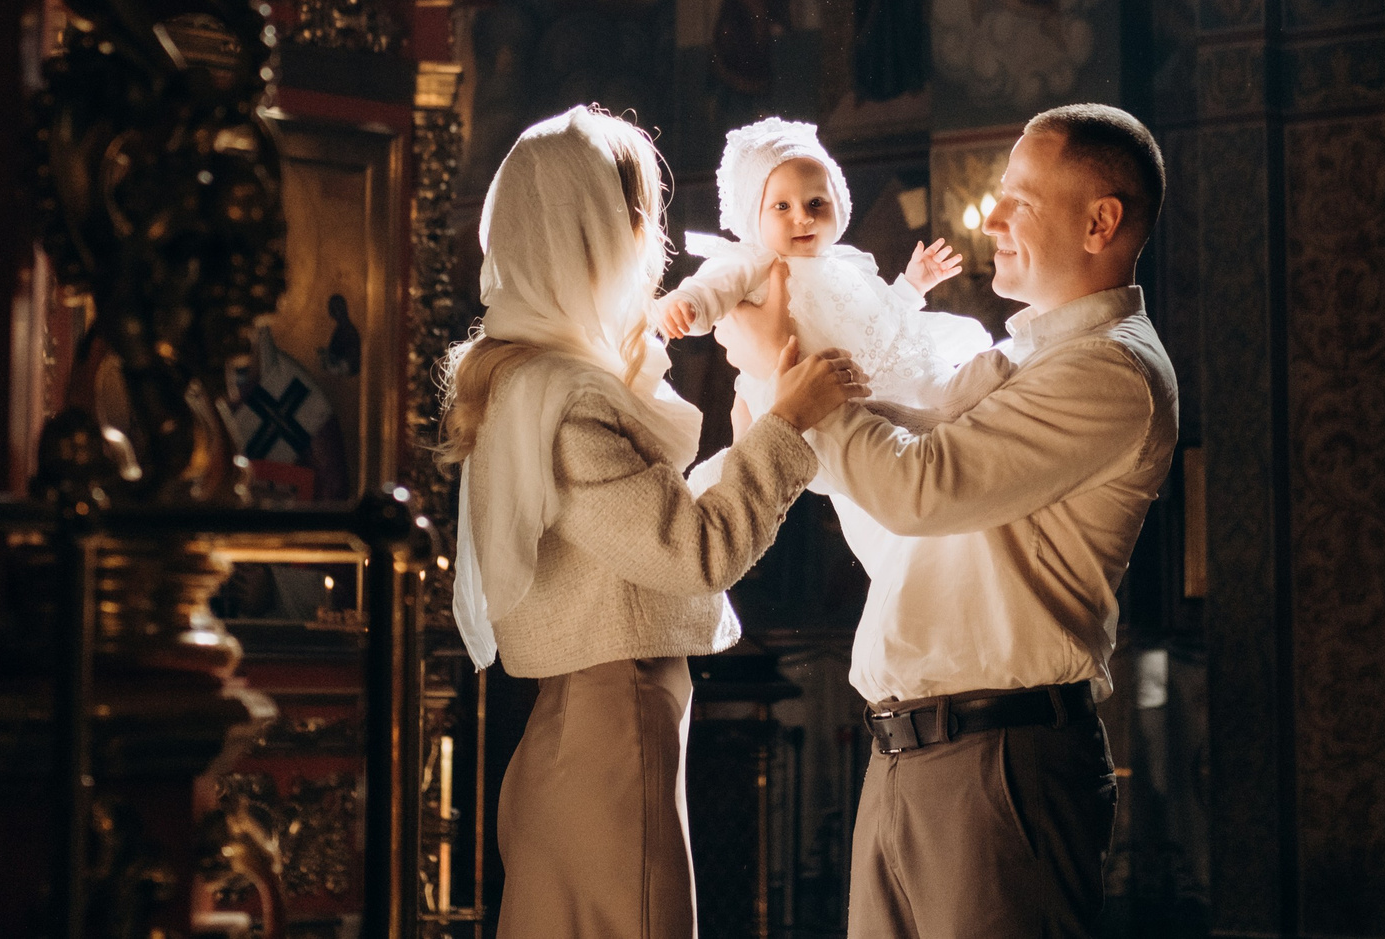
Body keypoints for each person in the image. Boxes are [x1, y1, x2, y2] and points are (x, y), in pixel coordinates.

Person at [719, 103, 1179, 939]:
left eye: (1018, 198)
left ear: (1100, 220)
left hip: (1003, 762)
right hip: (906, 752)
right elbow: (881, 458)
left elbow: (917, 486)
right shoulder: (1020, 357)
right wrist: (774, 407)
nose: (990, 215)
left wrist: (780, 373)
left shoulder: (1112, 373)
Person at [440, 106, 863, 938]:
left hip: (586, 732)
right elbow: (693, 548)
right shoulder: (567, 398)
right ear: (588, 227)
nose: (651, 237)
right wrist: (789, 424)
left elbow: (652, 522)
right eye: (636, 211)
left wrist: (767, 426)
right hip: (612, 731)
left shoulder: (537, 377)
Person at [657, 116, 979, 415]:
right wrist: (687, 305)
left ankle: (961, 394)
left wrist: (912, 285)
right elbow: (713, 287)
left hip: (872, 378)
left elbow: (879, 317)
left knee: (928, 383)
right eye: (782, 206)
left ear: (837, 204)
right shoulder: (756, 261)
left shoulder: (846, 263)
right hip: (802, 390)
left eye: (816, 203)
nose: (803, 217)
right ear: (753, 217)